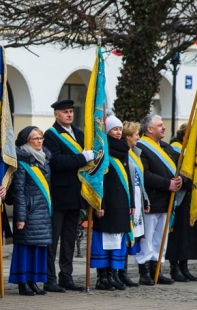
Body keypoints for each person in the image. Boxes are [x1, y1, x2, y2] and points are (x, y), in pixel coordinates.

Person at [42, 99, 95, 291]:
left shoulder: (80, 134)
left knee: (70, 239)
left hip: (75, 194)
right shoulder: (51, 135)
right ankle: (49, 278)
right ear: (56, 114)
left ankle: (66, 276)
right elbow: (56, 161)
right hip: (59, 194)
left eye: (71, 111)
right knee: (53, 239)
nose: (70, 115)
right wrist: (82, 158)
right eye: (65, 112)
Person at [133, 113, 184, 285]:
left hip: (167, 202)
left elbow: (177, 169)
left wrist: (179, 181)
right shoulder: (141, 148)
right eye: (160, 125)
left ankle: (157, 269)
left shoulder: (167, 148)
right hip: (151, 201)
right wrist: (166, 184)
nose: (164, 127)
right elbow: (144, 174)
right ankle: (145, 271)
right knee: (147, 239)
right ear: (149, 129)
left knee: (161, 239)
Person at [91, 116, 134, 290]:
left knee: (117, 240)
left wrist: (131, 203)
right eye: (114, 129)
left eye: (119, 130)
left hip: (122, 202)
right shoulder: (103, 150)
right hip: (107, 203)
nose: (117, 133)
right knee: (104, 240)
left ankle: (113, 274)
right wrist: (100, 204)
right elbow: (98, 179)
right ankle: (102, 277)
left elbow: (128, 178)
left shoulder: (124, 150)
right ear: (107, 131)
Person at [8, 126, 52, 295]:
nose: (40, 141)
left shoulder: (44, 159)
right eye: (36, 138)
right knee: (25, 248)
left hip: (42, 211)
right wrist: (20, 216)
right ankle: (23, 282)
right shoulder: (22, 162)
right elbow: (18, 191)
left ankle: (34, 280)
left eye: (41, 138)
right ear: (27, 141)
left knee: (38, 247)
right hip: (29, 211)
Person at [165, 123, 197, 282]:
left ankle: (184, 266)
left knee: (188, 234)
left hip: (190, 198)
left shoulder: (190, 151)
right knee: (178, 235)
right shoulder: (175, 151)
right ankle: (175, 267)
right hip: (178, 199)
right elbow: (177, 174)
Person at [122, 121, 149, 285]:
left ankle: (125, 272)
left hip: (138, 198)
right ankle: (121, 271)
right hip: (129, 199)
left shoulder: (135, 152)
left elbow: (140, 179)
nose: (138, 137)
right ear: (128, 137)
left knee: (135, 236)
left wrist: (145, 199)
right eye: (136, 135)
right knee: (125, 236)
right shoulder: (124, 153)